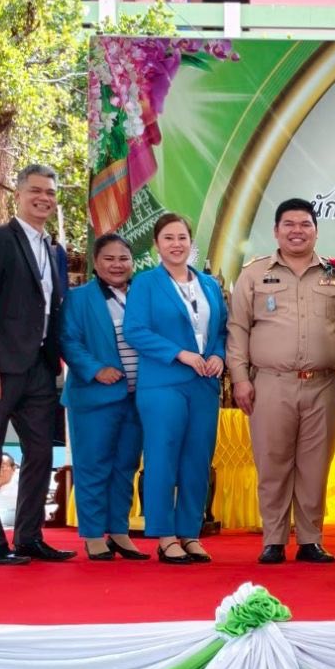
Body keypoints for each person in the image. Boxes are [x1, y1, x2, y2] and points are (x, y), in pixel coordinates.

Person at [227, 198, 335, 566]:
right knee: (273, 462)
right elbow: (238, 329)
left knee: (315, 466)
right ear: (276, 230)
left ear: (316, 230)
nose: (297, 230)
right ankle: (274, 539)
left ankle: (311, 539)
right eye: (289, 224)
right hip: (270, 384)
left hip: (323, 385)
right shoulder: (254, 273)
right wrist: (240, 379)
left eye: (305, 224)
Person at [0, 163, 71, 567]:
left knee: (41, 452)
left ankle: (28, 537)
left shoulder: (53, 249)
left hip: (40, 369)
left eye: (50, 193)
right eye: (36, 191)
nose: (44, 198)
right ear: (19, 194)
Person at [121, 214, 226, 565]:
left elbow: (223, 331)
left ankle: (190, 533)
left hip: (204, 385)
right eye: (168, 238)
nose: (176, 244)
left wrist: (218, 356)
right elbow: (135, 331)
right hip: (163, 382)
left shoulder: (209, 285)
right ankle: (165, 536)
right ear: (157, 245)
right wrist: (179, 353)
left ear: (191, 243)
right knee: (163, 457)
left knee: (198, 459)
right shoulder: (146, 284)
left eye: (182, 237)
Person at [59, 232, 148, 562]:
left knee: (125, 466)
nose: (117, 265)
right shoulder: (79, 298)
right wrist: (96, 369)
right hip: (94, 396)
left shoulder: (142, 294)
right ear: (96, 263)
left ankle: (119, 531)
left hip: (137, 397)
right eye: (109, 259)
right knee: (93, 466)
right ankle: (94, 534)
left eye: (123, 258)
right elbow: (68, 340)